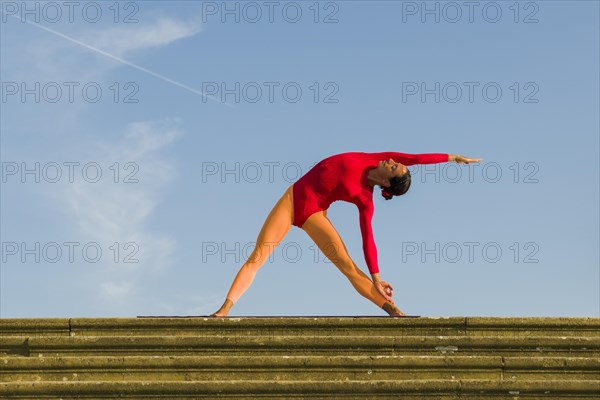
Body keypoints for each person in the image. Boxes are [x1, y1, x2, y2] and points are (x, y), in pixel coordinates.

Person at [209, 151, 482, 317]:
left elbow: (368, 238)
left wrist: (377, 278)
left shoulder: (365, 199)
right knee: (258, 256)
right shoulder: (377, 158)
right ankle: (224, 310)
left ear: (387, 181)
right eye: (396, 162)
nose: (394, 160)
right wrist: (453, 158)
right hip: (291, 200)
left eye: (395, 167)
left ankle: (394, 311)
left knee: (348, 267)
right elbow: (417, 158)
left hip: (313, 215)